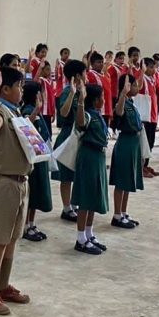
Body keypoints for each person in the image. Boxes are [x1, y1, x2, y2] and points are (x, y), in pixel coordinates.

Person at [0, 66, 32, 316]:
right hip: (2, 182)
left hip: (20, 181)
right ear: (6, 89)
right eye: (19, 86)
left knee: (11, 239)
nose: (22, 90)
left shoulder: (15, 112)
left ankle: (3, 285)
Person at [73, 84, 109, 255]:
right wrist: (81, 101)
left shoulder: (97, 114)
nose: (104, 100)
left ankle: (89, 233)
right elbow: (80, 123)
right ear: (95, 100)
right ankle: (80, 239)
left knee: (94, 196)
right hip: (89, 156)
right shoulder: (87, 114)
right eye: (102, 97)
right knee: (86, 198)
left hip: (98, 158)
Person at [53, 59, 87, 222]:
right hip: (67, 136)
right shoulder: (67, 92)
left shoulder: (84, 91)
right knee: (66, 175)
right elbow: (64, 113)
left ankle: (73, 204)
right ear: (78, 76)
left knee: (76, 174)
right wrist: (73, 93)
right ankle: (66, 208)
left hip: (79, 135)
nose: (86, 76)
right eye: (84, 73)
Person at [109, 75, 144, 228]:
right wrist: (123, 93)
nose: (137, 87)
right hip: (125, 144)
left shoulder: (131, 103)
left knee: (128, 180)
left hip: (133, 144)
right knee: (121, 182)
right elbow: (119, 111)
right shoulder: (122, 102)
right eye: (134, 85)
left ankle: (123, 212)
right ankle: (117, 215)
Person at [21, 80, 52, 242]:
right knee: (31, 192)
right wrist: (36, 110)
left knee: (37, 192)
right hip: (32, 159)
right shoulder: (27, 110)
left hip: (40, 157)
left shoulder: (36, 110)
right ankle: (25, 225)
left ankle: (32, 223)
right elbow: (25, 127)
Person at [139, 57, 159, 177]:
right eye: (151, 67)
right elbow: (138, 86)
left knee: (150, 142)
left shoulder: (152, 79)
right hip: (145, 116)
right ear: (144, 67)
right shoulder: (142, 79)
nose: (154, 69)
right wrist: (141, 72)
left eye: (154, 67)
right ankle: (140, 167)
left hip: (153, 115)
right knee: (144, 142)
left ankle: (146, 165)